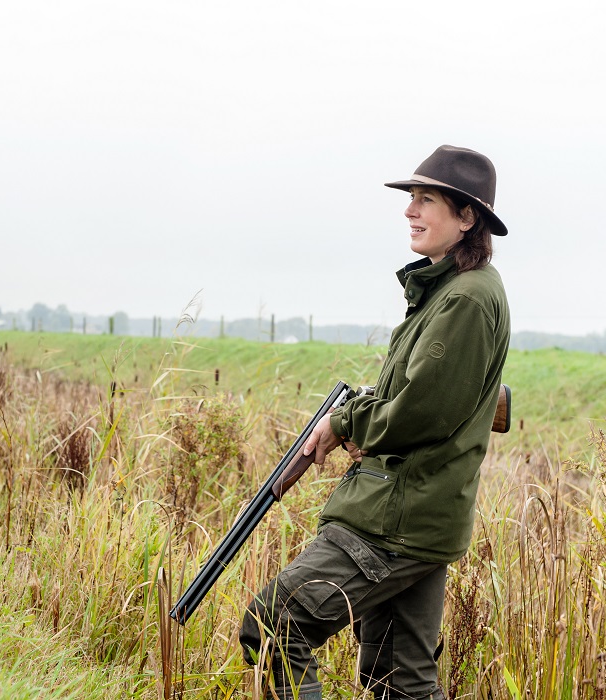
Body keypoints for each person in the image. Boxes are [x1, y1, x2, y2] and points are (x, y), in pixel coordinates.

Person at [239, 145, 511, 700]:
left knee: (274, 625)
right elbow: (421, 396)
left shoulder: (466, 299)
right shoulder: (452, 291)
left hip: (397, 518)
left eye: (427, 200)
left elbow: (419, 413)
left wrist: (347, 422)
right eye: (411, 198)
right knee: (400, 682)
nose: (411, 211)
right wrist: (362, 412)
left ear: (467, 218)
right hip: (420, 516)